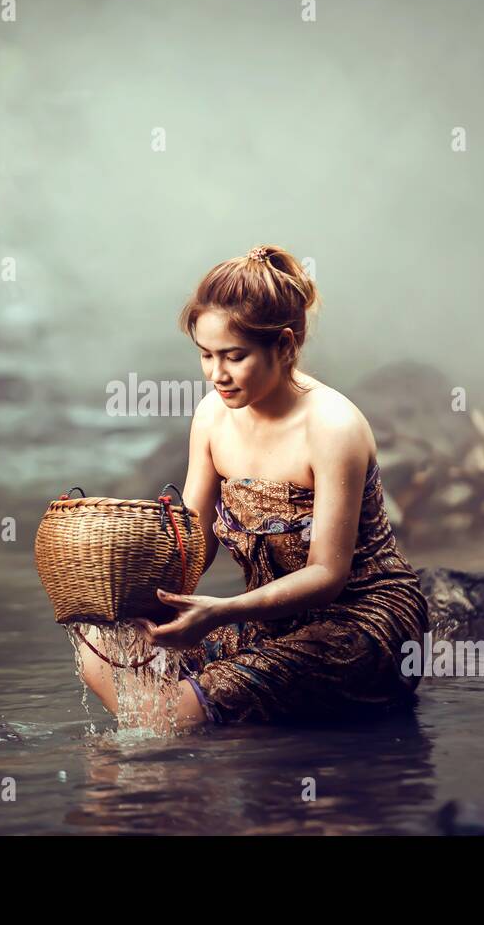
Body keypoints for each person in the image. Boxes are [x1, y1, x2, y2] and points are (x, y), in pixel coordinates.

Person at [75, 244, 429, 729]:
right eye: (205, 355)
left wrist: (220, 613)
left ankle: (175, 732)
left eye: (234, 357)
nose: (217, 374)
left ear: (283, 346)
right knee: (101, 653)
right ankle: (175, 735)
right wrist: (138, 606)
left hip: (359, 622)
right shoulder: (212, 417)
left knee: (170, 714)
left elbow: (328, 573)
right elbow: (190, 541)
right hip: (267, 619)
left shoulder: (332, 427)